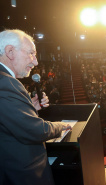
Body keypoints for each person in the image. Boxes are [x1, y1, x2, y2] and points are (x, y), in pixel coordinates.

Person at [0, 29, 71, 185]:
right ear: (10, 51)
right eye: (31, 54)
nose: (35, 62)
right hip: (21, 175)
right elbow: (34, 130)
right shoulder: (6, 82)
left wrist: (29, 108)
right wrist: (61, 126)